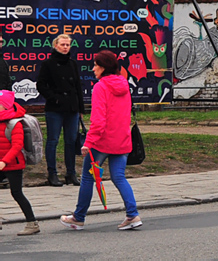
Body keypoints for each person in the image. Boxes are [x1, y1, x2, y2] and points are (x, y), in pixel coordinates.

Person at [60, 51, 141, 231]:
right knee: (119, 177)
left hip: (102, 141)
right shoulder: (124, 84)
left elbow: (98, 119)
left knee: (88, 178)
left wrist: (88, 142)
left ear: (103, 68)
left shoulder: (101, 87)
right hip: (122, 138)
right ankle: (133, 214)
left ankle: (78, 217)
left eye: (96, 65)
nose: (93, 68)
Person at [36, 34, 84, 187]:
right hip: (55, 109)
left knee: (71, 141)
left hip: (72, 108)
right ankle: (52, 174)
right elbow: (41, 85)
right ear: (55, 45)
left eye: (67, 45)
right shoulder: (48, 64)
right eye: (62, 44)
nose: (65, 47)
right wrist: (54, 98)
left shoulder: (72, 64)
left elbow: (78, 87)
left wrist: (80, 108)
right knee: (53, 141)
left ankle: (71, 173)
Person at [0, 90, 39, 235]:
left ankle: (32, 223)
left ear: (5, 106)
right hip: (2, 162)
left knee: (16, 192)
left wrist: (4, 162)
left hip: (13, 164)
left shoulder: (15, 123)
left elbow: (17, 146)